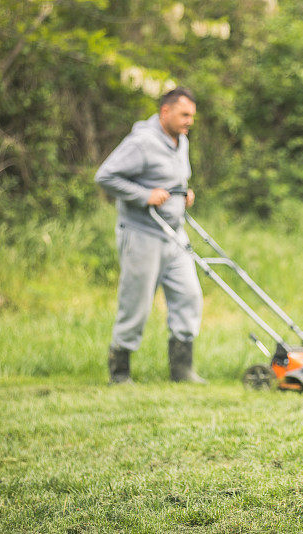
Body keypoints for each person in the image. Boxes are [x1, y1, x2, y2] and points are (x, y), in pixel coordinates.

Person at [95, 87, 205, 384]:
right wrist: (144, 195)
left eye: (192, 116)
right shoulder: (141, 142)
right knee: (137, 304)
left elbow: (175, 180)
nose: (189, 121)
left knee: (189, 295)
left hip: (175, 235)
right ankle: (120, 372)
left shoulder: (181, 141)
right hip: (142, 235)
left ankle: (182, 371)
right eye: (184, 115)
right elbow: (105, 176)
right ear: (165, 112)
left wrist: (184, 195)